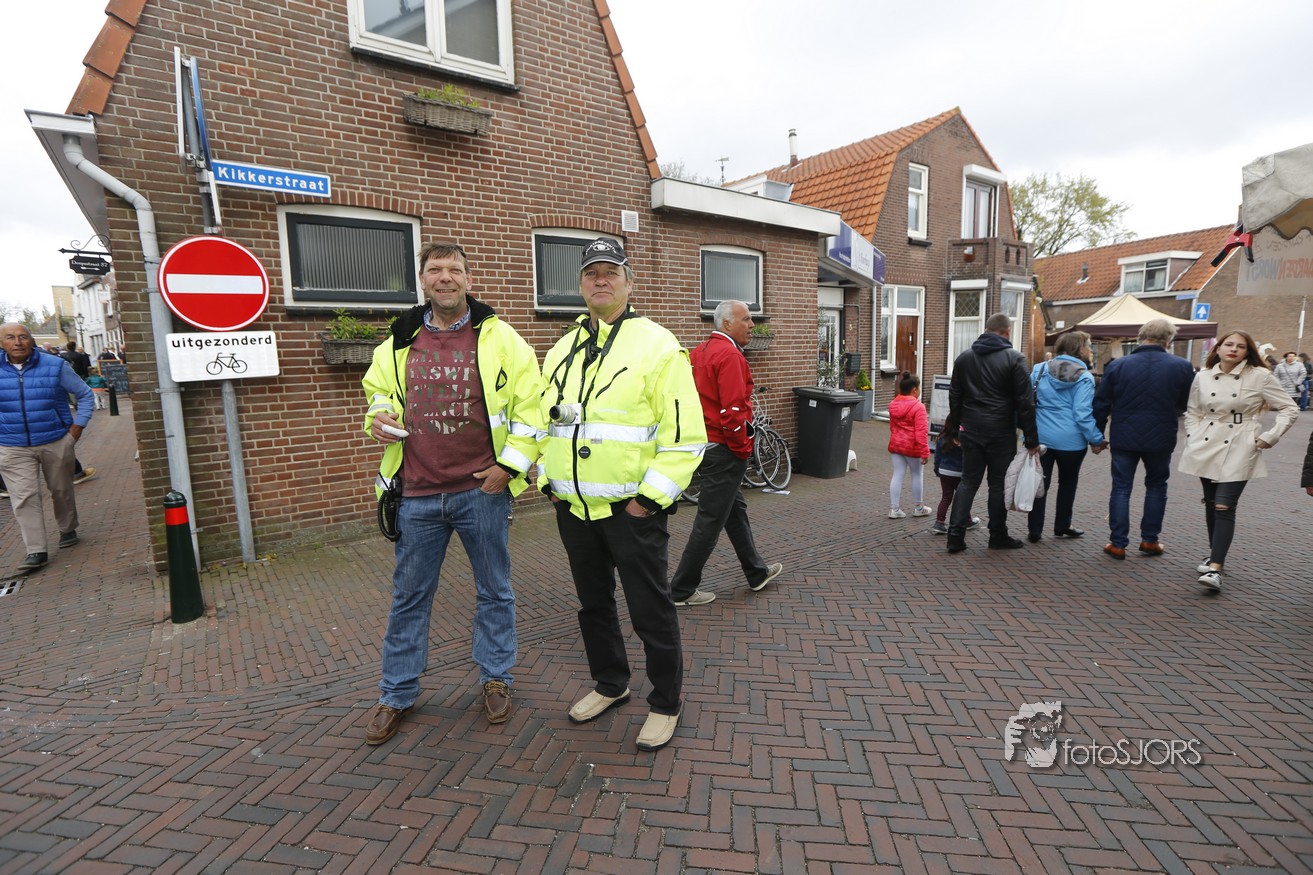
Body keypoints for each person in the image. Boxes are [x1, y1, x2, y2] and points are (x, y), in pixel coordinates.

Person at [359, 241, 541, 746]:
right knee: (409, 597)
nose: (445, 277)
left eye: (454, 269)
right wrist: (377, 417)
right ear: (422, 280)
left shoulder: (501, 337)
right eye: (435, 270)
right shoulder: (398, 338)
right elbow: (377, 392)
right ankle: (396, 693)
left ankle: (496, 677)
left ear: (468, 279)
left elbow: (532, 407)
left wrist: (509, 466)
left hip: (481, 491)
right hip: (415, 494)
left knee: (495, 590)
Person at [538, 239, 706, 752]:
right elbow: (545, 423)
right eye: (592, 273)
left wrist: (647, 503)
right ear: (581, 285)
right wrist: (548, 483)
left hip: (631, 512)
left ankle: (666, 702)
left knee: (649, 608)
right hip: (574, 509)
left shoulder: (658, 346)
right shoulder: (562, 349)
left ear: (629, 283)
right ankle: (611, 683)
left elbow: (686, 438)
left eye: (611, 272)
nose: (600, 280)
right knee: (593, 605)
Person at [668, 299, 782, 608]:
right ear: (727, 324)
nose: (752, 325)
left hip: (704, 444)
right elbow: (733, 412)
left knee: (734, 510)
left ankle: (756, 572)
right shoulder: (730, 356)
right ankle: (681, 589)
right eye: (746, 319)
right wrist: (743, 449)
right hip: (725, 448)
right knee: (710, 519)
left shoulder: (698, 353)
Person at [1179, 331, 1297, 592]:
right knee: (1211, 503)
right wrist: (1192, 436)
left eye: (1240, 346)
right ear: (1218, 348)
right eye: (1228, 344)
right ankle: (1214, 554)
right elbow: (1193, 411)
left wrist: (1271, 436)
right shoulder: (1203, 376)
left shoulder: (1260, 376)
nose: (1233, 349)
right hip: (1206, 442)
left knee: (1224, 505)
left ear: (1248, 351)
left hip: (1241, 442)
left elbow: (1290, 408)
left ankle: (1215, 568)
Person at [1091, 318, 1195, 560]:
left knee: (1121, 487)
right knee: (1157, 486)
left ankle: (1118, 543)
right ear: (1168, 340)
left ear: (1140, 337)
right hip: (1161, 435)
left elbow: (1101, 403)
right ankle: (1150, 540)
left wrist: (1097, 436)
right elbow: (1186, 402)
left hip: (1124, 434)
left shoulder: (1118, 365)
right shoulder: (1182, 366)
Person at [0, 323, 94, 574]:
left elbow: (85, 394)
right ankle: (36, 550)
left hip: (55, 439)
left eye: (23, 337)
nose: (17, 342)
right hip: (11, 445)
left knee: (61, 489)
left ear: (32, 341)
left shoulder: (55, 366)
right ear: (1, 343)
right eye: (10, 337)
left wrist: (77, 427)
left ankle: (67, 528)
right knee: (24, 497)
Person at [942, 313, 1039, 553]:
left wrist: (955, 429)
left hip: (970, 429)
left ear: (986, 330)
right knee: (997, 484)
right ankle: (997, 535)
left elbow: (954, 396)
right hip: (1000, 432)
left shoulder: (964, 358)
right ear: (1007, 332)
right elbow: (1026, 402)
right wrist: (1031, 438)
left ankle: (955, 536)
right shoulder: (1015, 359)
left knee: (968, 481)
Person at [1026, 331, 1105, 543]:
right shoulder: (1085, 377)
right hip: (1071, 442)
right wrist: (1096, 439)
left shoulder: (1039, 369)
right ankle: (1062, 525)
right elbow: (1082, 414)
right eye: (1088, 345)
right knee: (1068, 483)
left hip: (1041, 437)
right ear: (1079, 349)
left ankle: (1035, 529)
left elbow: (1028, 401)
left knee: (1039, 482)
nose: (1090, 350)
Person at [887, 371, 931, 519]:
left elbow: (892, 427)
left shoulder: (893, 404)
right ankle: (918, 508)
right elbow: (921, 432)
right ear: (914, 390)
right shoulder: (919, 407)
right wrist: (925, 452)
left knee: (897, 474)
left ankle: (894, 509)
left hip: (896, 445)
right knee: (917, 475)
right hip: (912, 447)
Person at [929, 432, 980, 535]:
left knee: (946, 498)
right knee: (963, 498)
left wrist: (937, 469)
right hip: (959, 472)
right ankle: (967, 520)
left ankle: (939, 523)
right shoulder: (965, 437)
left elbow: (937, 456)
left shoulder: (942, 437)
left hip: (944, 471)